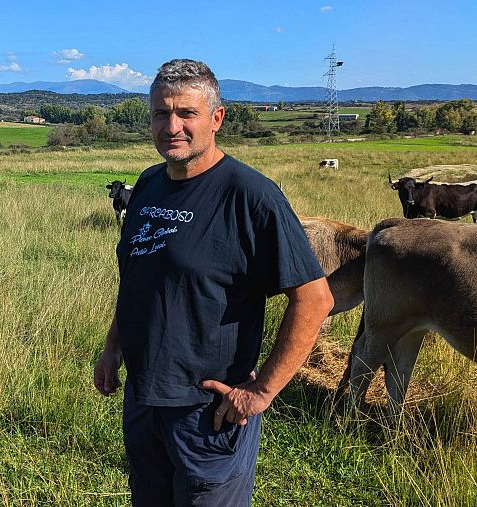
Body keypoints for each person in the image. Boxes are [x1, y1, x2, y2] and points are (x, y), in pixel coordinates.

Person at [93, 59, 333, 506]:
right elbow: (138, 278)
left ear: (216, 119)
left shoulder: (251, 197)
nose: (173, 126)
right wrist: (113, 346)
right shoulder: (147, 186)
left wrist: (261, 392)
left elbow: (315, 299)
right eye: (161, 114)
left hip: (209, 413)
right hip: (144, 397)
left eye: (187, 113)